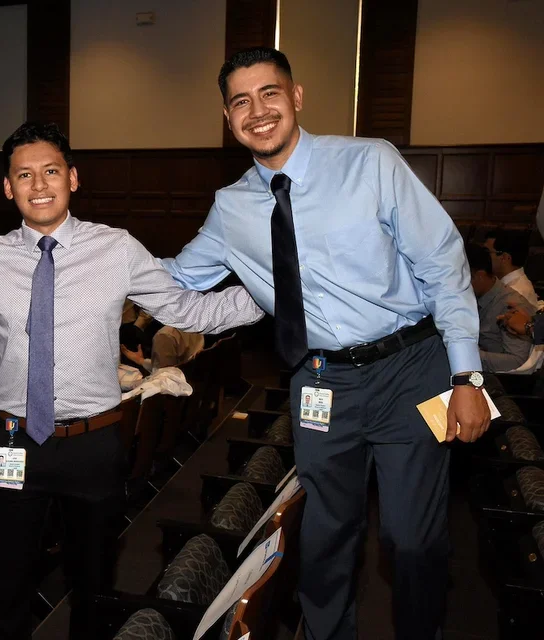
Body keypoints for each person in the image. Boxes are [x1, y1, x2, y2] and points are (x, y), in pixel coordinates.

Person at [161, 47, 491, 640]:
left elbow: (443, 266)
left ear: (297, 97)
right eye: (241, 101)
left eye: (269, 93)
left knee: (412, 540)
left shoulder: (371, 162)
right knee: (326, 535)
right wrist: (96, 260)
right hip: (319, 383)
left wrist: (467, 377)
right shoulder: (231, 208)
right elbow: (178, 278)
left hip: (410, 367)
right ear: (228, 117)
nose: (257, 110)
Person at [0, 121, 263, 639]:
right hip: (15, 445)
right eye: (24, 175)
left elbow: (187, 307)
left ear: (73, 178)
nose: (39, 185)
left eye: (51, 171)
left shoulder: (117, 249)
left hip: (93, 444)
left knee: (93, 587)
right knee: (6, 590)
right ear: (8, 187)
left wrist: (271, 294)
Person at [465, 243, 535, 372]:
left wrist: (466, 355)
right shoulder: (475, 296)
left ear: (479, 276)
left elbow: (517, 361)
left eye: (460, 279)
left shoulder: (510, 304)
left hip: (501, 382)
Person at [483, 229, 538, 306]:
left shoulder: (516, 292)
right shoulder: (506, 285)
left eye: (487, 252)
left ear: (505, 257)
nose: (482, 256)